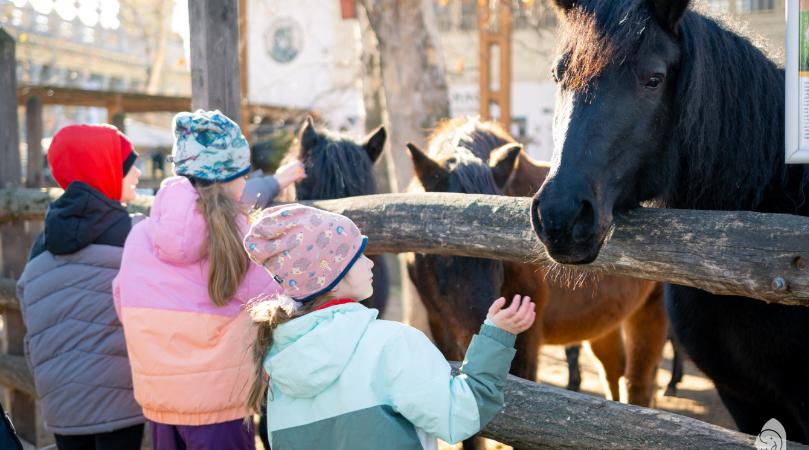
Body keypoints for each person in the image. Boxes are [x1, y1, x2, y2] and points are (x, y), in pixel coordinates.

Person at [244, 204, 536, 449]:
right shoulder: (392, 343)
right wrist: (497, 336)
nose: (371, 264)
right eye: (359, 256)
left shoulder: (279, 363)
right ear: (336, 275)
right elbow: (458, 416)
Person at [113, 110, 282, 450]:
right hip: (223, 407)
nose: (246, 183)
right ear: (230, 177)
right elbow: (274, 305)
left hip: (161, 404)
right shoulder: (241, 237)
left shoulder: (140, 236)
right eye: (244, 175)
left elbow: (123, 306)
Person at [16, 124, 146, 450]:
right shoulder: (134, 235)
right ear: (105, 169)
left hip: (61, 400)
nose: (139, 174)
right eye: (129, 166)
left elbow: (29, 316)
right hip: (120, 398)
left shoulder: (42, 243)